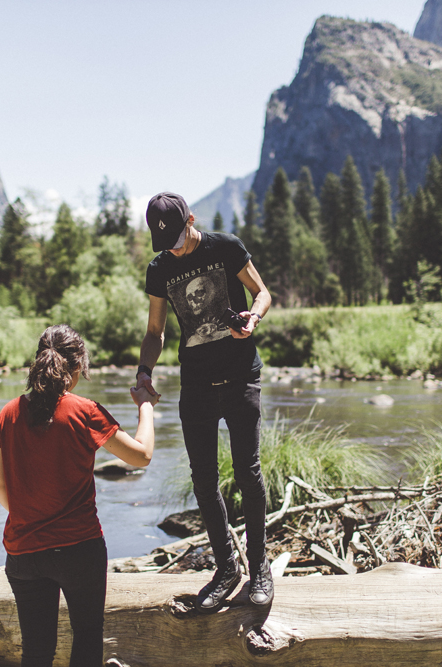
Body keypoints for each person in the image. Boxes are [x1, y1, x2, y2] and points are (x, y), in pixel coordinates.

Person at [136, 192, 273, 613]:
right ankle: (227, 569)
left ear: (191, 219)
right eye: (164, 243)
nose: (173, 248)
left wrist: (253, 318)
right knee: (203, 481)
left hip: (240, 378)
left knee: (248, 474)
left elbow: (263, 293)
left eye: (177, 237)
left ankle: (259, 566)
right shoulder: (159, 269)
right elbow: (156, 330)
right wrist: (144, 371)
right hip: (195, 384)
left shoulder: (226, 247)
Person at [0, 324, 158, 667]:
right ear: (79, 366)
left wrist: (30, 514)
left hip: (24, 553)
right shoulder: (84, 411)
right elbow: (141, 456)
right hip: (80, 550)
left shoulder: (8, 413)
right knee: (86, 641)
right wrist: (146, 406)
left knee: (36, 652)